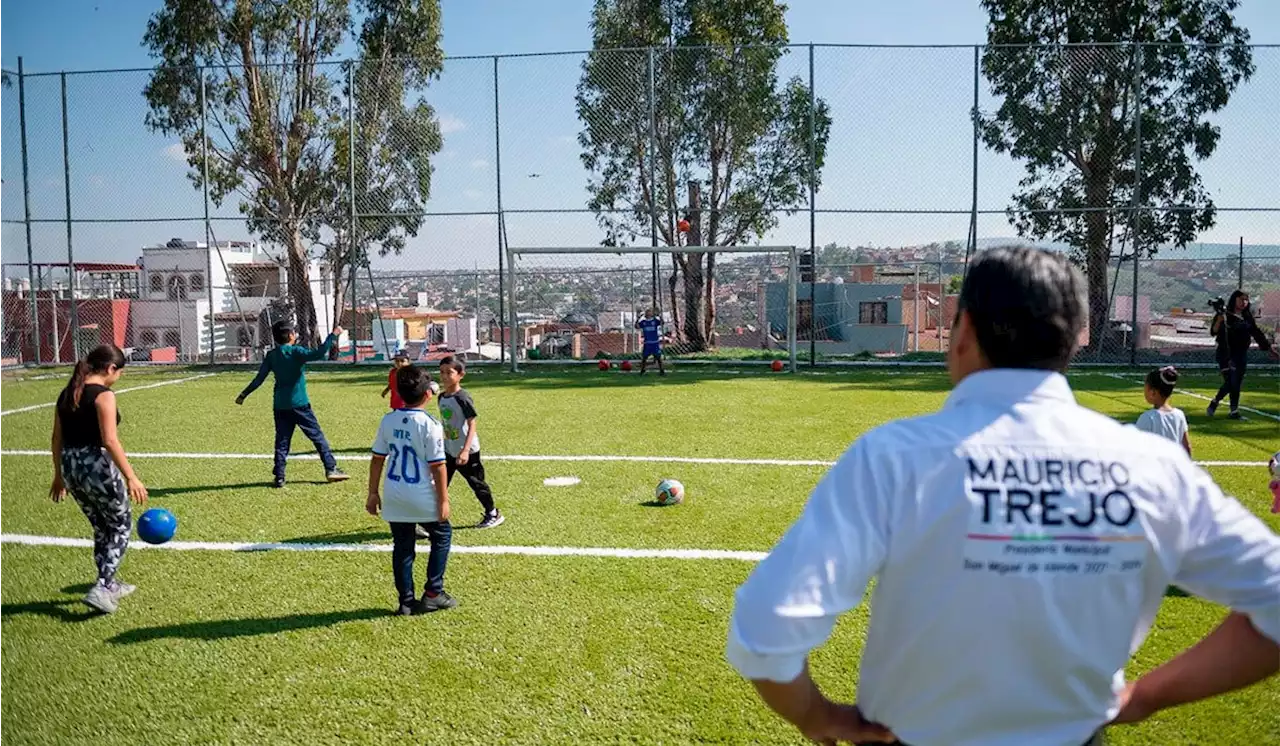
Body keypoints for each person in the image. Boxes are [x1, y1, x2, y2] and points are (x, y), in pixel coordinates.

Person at [725, 246, 1280, 746]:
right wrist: (1146, 697)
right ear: (1076, 339)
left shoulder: (893, 457)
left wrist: (816, 716)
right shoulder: (1151, 465)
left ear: (962, 331)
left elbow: (766, 624)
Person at [49, 345, 149, 614]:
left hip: (71, 466)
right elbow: (109, 440)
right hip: (95, 465)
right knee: (120, 524)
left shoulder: (68, 392)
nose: (119, 377)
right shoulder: (103, 395)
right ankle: (103, 586)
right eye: (120, 372)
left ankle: (110, 582)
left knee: (101, 525)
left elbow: (57, 438)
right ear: (110, 369)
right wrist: (132, 477)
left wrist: (59, 476)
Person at [366, 364, 458, 615]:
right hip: (422, 495)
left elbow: (377, 459)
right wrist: (443, 500)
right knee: (442, 535)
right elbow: (438, 466)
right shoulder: (430, 424)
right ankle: (433, 592)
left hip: (395, 494)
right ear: (428, 394)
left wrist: (373, 493)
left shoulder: (388, 419)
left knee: (403, 546)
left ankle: (406, 601)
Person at [235, 320, 349, 488]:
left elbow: (259, 379)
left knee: (282, 441)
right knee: (317, 436)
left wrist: (243, 394)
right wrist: (333, 335)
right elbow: (320, 353)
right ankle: (331, 468)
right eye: (294, 332)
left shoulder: (272, 356)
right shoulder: (296, 352)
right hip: (300, 404)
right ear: (290, 336)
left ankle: (279, 476)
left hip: (280, 405)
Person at [437, 355, 504, 529]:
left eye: (449, 372)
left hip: (467, 450)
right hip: (449, 449)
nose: (444, 376)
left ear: (461, 375)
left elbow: (472, 423)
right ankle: (432, 520)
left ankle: (493, 513)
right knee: (439, 484)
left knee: (477, 483)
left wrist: (465, 450)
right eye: (441, 372)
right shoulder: (442, 397)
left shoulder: (463, 397)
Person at [1207, 289, 1278, 419]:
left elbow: (1257, 334)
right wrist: (1219, 320)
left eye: (1246, 300)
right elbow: (1214, 331)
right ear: (1234, 299)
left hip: (1240, 354)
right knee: (1230, 381)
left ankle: (1231, 410)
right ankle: (1216, 403)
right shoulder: (1224, 314)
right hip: (1226, 353)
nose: (1244, 302)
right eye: (1241, 299)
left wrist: (1270, 349)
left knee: (1236, 382)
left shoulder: (1247, 317)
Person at [1134, 365, 1191, 456]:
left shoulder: (1148, 418)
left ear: (1153, 392)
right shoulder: (1179, 415)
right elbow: (1187, 447)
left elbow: (1137, 449)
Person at [635, 308, 666, 376]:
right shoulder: (643, 322)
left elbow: (662, 323)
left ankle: (662, 371)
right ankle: (642, 371)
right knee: (644, 357)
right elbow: (636, 326)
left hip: (654, 343)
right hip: (647, 343)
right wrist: (638, 318)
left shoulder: (655, 321)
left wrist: (659, 315)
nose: (648, 313)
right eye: (647, 312)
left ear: (652, 314)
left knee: (658, 357)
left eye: (649, 312)